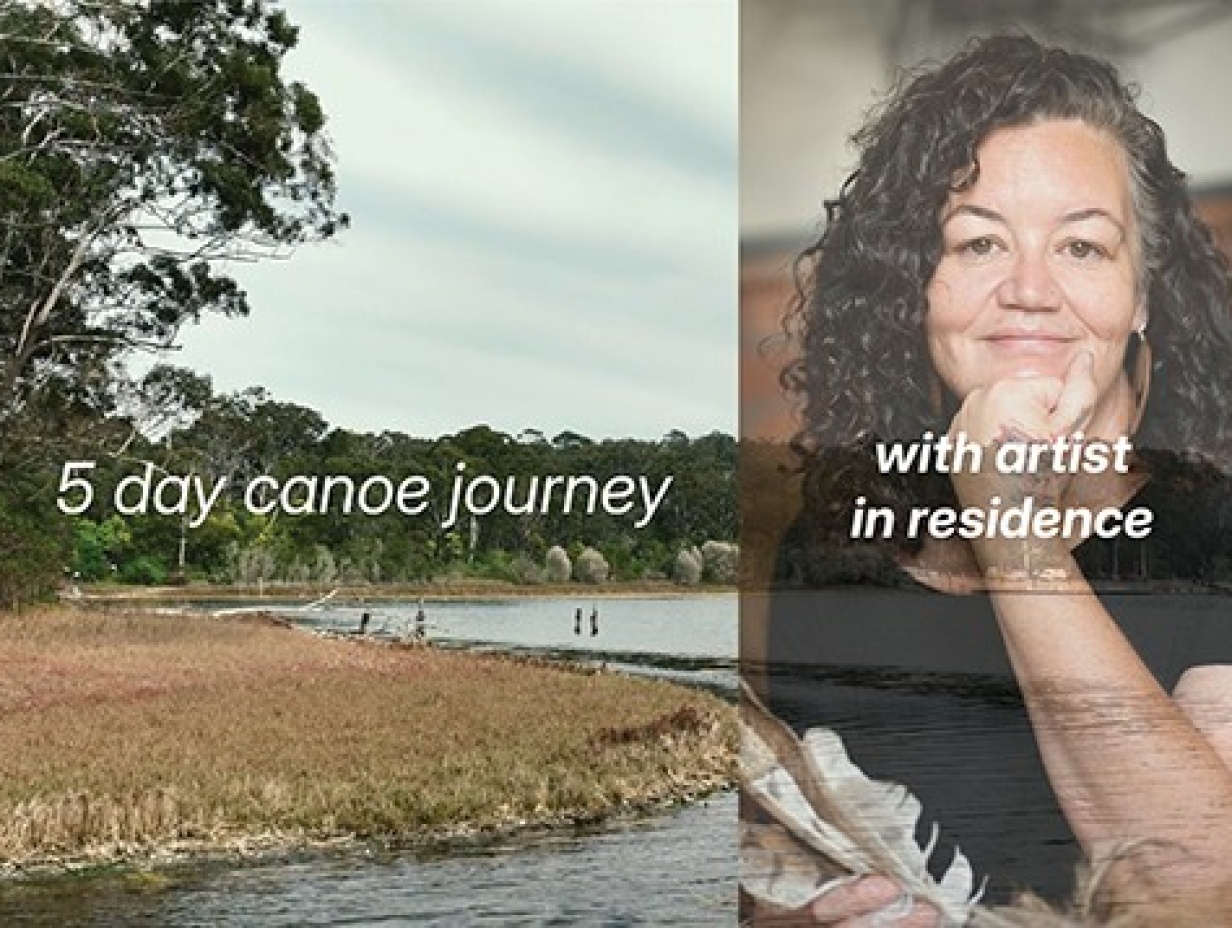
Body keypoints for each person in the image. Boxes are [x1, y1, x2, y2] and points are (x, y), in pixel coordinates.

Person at [756, 33, 1232, 923]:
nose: (1030, 290)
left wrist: (1015, 533)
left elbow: (1205, 883)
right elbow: (776, 852)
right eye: (978, 245)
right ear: (916, 290)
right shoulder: (828, 552)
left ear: (1143, 296)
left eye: (1082, 248)